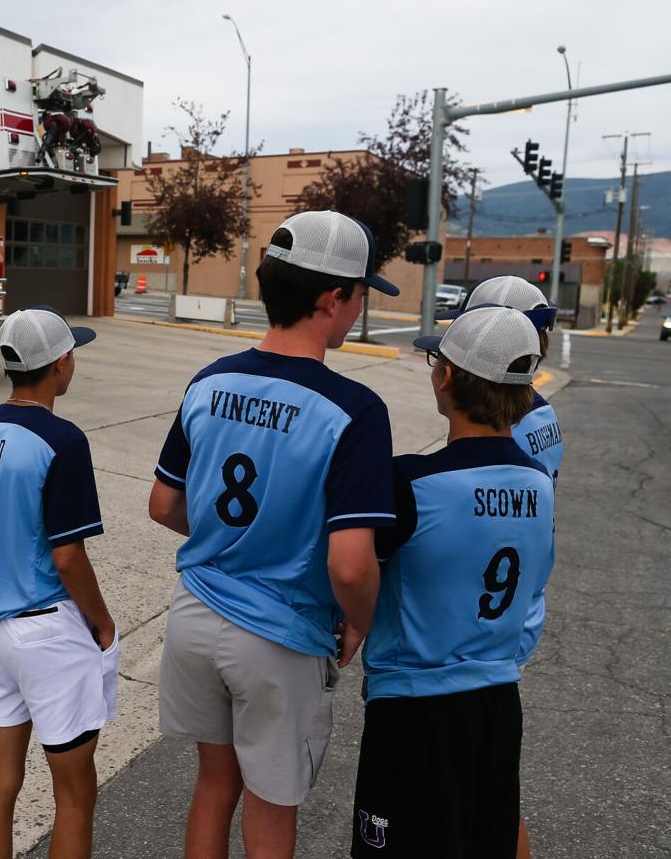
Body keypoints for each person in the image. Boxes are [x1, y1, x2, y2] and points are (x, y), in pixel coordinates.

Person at [149, 210, 400, 859]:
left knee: (213, 783)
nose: (362, 304)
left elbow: (164, 503)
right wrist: (361, 623)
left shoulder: (210, 382)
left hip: (194, 616)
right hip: (279, 638)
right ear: (332, 297)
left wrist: (226, 537)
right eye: (361, 291)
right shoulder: (355, 412)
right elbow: (351, 567)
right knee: (270, 804)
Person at [351, 306, 556, 858]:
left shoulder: (411, 482)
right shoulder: (539, 482)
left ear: (445, 378)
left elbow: (352, 569)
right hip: (496, 699)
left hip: (416, 707)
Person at [0, 306, 119, 859]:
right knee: (74, 795)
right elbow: (68, 556)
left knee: (0, 782)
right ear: (60, 363)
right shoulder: (62, 440)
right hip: (48, 632)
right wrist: (102, 621)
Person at [440, 275, 563, 859]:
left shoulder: (518, 428)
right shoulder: (541, 414)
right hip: (516, 604)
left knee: (475, 794)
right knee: (492, 786)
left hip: (475, 622)